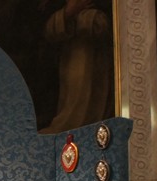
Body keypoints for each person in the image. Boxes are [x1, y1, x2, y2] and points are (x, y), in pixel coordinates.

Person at [39, 0, 114, 133]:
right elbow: (46, 30)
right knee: (72, 96)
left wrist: (85, 18)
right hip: (69, 58)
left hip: (98, 61)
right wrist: (68, 12)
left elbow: (108, 25)